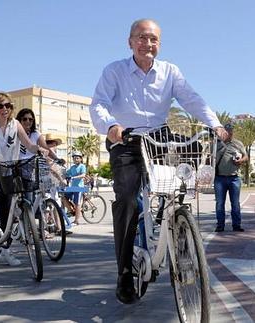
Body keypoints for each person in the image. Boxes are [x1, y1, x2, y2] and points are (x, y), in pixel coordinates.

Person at [89, 18, 228, 304]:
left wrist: (215, 125)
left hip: (160, 139)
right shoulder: (114, 71)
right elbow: (99, 104)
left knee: (180, 187)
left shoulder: (170, 71)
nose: (147, 43)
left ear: (159, 44)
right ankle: (125, 273)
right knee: (127, 200)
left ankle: (178, 235)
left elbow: (191, 99)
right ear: (130, 42)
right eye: (141, 38)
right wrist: (111, 127)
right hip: (126, 139)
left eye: (153, 39)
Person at [0, 92, 48, 266]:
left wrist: (40, 149)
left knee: (8, 212)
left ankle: (5, 251)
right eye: (0, 106)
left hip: (6, 171)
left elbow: (28, 144)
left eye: (8, 106)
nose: (5, 109)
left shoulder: (16, 124)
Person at [214, 123, 247, 233]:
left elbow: (246, 156)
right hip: (219, 178)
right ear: (224, 132)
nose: (231, 134)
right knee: (219, 203)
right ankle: (220, 225)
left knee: (235, 203)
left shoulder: (238, 143)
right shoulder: (216, 144)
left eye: (232, 132)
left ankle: (236, 225)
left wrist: (240, 160)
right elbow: (210, 158)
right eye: (228, 132)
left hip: (234, 178)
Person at [65, 151, 86, 225]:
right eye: (74, 158)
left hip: (79, 187)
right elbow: (67, 173)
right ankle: (71, 210)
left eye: (77, 158)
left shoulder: (82, 166)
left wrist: (73, 177)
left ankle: (76, 220)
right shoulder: (72, 167)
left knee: (77, 203)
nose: (75, 159)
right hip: (72, 187)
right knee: (63, 198)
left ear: (81, 159)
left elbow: (83, 175)